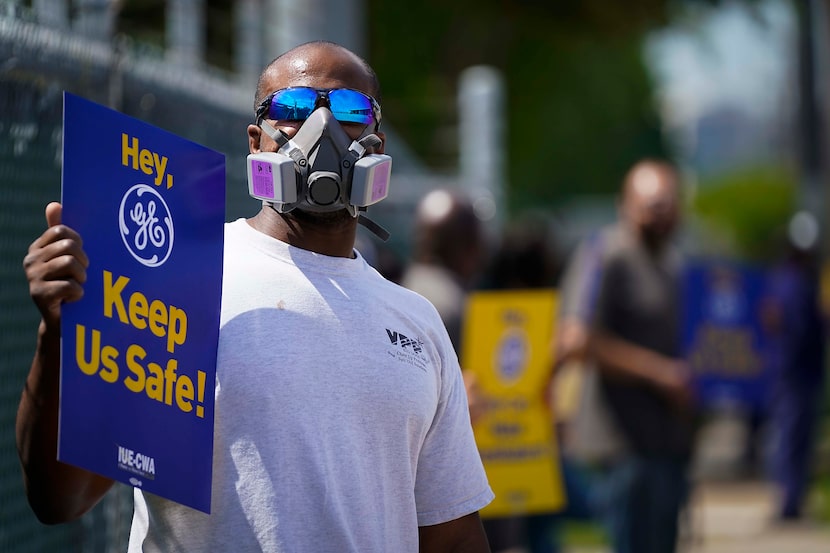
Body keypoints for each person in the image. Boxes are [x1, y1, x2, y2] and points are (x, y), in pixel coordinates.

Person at [17, 40, 494, 552]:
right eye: (292, 108)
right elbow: (61, 498)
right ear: (256, 141)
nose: (322, 127)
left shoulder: (416, 322)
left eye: (351, 109)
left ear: (376, 141)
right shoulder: (176, 279)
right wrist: (57, 335)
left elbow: (453, 534)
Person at [561, 159, 696, 553]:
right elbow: (577, 338)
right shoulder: (606, 254)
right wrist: (659, 373)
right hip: (622, 451)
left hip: (669, 445)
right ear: (627, 203)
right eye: (654, 203)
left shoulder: (675, 264)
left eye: (671, 203)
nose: (664, 212)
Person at [763, 212, 826, 520]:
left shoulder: (799, 280)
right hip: (793, 372)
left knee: (798, 438)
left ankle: (794, 499)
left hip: (800, 372)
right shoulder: (791, 282)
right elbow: (798, 329)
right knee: (791, 437)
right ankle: (788, 501)